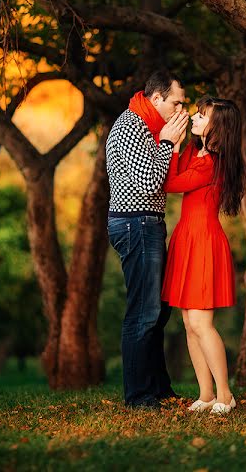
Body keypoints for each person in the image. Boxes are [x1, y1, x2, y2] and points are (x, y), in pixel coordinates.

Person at [105, 71, 188, 408]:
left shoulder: (149, 127)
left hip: (148, 224)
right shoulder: (131, 127)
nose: (181, 109)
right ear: (157, 99)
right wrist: (168, 143)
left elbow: (162, 178)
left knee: (158, 310)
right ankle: (139, 396)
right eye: (176, 102)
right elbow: (150, 183)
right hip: (135, 225)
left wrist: (171, 145)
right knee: (143, 312)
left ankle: (158, 388)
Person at [162, 96, 244, 415]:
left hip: (203, 239)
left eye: (201, 115)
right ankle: (206, 393)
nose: (194, 118)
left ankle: (225, 395)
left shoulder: (211, 161)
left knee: (200, 321)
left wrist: (169, 145)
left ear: (217, 126)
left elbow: (169, 182)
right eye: (196, 113)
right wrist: (179, 145)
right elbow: (179, 172)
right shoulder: (198, 153)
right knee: (189, 322)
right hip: (188, 236)